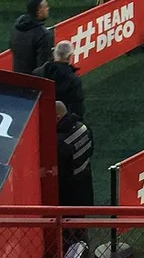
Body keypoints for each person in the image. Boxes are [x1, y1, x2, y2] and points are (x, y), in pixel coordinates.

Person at [55, 99, 94, 255]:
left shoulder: (60, 142)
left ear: (58, 117)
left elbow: (60, 176)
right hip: (85, 188)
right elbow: (91, 151)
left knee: (68, 236)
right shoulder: (83, 128)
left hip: (68, 197)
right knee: (81, 231)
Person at [34, 40, 85, 118]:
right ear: (70, 56)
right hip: (61, 123)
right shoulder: (73, 80)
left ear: (54, 53)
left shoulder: (37, 73)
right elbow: (77, 110)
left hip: (40, 118)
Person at [10, 0, 53, 74]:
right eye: (46, 7)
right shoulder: (43, 34)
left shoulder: (16, 27)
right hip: (33, 80)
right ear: (39, 11)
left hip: (17, 75)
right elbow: (43, 64)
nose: (48, 9)